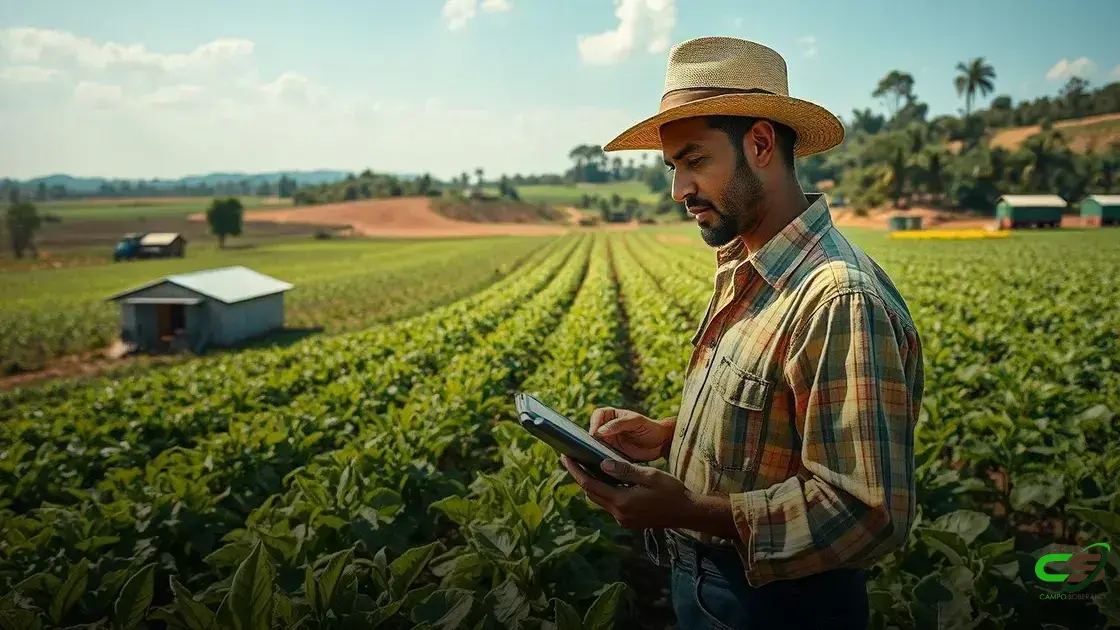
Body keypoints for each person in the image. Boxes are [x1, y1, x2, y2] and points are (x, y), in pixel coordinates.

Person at [559, 36, 925, 629]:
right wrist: (669, 438)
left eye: (695, 160)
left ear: (759, 144)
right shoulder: (747, 268)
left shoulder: (838, 298)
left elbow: (867, 513)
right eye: (673, 167)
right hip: (715, 591)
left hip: (776, 606)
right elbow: (780, 421)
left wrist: (693, 510)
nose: (679, 191)